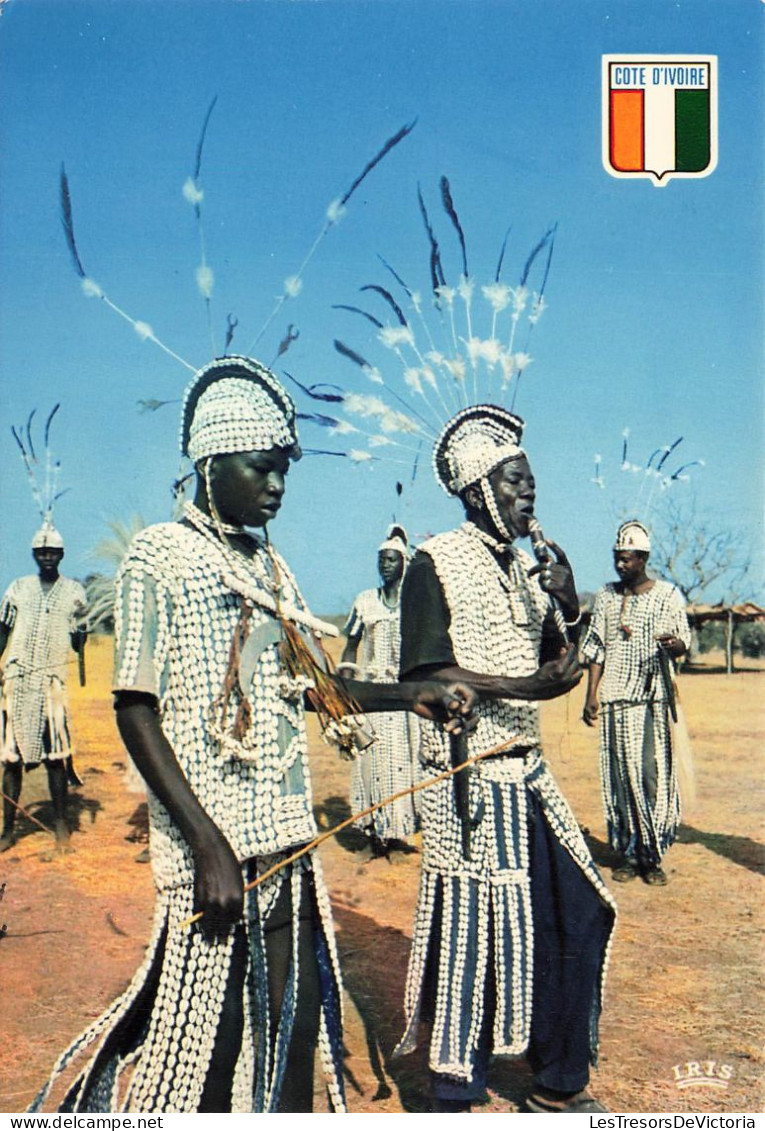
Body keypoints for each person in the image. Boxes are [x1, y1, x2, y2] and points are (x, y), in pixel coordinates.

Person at [30, 356, 475, 1115]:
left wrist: (414, 694)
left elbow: (315, 688)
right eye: (261, 468)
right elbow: (134, 706)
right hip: (212, 855)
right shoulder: (158, 557)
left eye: (282, 473)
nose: (275, 486)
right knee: (212, 1040)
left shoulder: (271, 566)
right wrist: (205, 842)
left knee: (294, 1032)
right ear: (211, 462)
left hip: (286, 845)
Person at [394, 404, 617, 1114]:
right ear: (478, 489)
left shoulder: (524, 569)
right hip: (465, 777)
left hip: (526, 770)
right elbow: (422, 676)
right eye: (517, 482)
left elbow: (561, 662)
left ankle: (555, 1077)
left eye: (530, 482)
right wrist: (527, 685)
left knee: (578, 907)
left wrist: (569, 605)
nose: (530, 495)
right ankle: (452, 1088)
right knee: (470, 925)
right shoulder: (435, 562)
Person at [581, 520, 691, 886]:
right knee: (618, 777)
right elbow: (596, 647)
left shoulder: (668, 596)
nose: (620, 565)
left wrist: (672, 644)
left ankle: (652, 851)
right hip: (614, 698)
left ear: (643, 559)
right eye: (617, 558)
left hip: (650, 699)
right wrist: (591, 694)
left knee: (646, 773)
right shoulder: (606, 597)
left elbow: (683, 644)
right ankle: (627, 851)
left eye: (627, 559)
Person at [0, 522, 87, 854]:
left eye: (52, 552)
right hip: (19, 679)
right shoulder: (18, 588)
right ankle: (8, 830)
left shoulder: (75, 592)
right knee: (11, 758)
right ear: (34, 555)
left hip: (50, 682)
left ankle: (61, 826)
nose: (47, 557)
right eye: (41, 552)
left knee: (56, 757)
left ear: (61, 555)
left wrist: (81, 627)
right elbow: (3, 630)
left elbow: (80, 643)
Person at [339, 525, 421, 857]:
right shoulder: (365, 602)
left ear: (403, 563)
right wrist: (346, 684)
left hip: (405, 695)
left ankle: (398, 834)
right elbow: (351, 646)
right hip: (371, 695)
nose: (385, 565)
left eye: (391, 560)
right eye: (381, 560)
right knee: (371, 762)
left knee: (403, 763)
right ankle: (374, 835)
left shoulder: (414, 604)